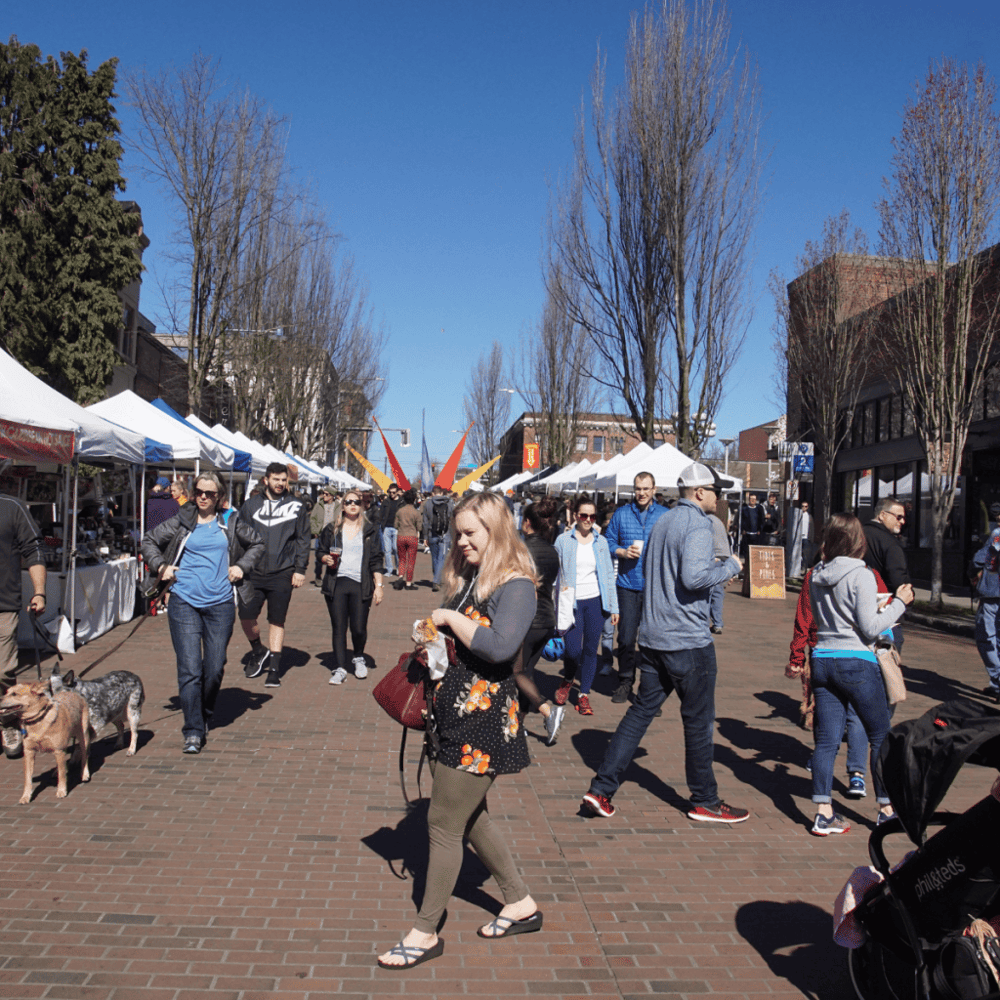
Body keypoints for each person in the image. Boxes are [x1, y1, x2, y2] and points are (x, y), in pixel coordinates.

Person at [377, 492, 540, 970]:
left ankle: (425, 931)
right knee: (470, 817)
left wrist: (449, 618)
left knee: (443, 823)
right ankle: (519, 902)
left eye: (471, 533)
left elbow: (500, 647)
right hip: (451, 714)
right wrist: (431, 639)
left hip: (482, 721)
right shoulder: (471, 577)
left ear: (496, 530)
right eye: (458, 533)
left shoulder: (517, 585)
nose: (462, 541)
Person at [581, 463, 748, 823]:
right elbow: (694, 577)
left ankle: (601, 789)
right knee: (698, 721)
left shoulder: (663, 521)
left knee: (640, 712)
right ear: (699, 492)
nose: (718, 498)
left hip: (654, 638)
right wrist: (731, 566)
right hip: (687, 641)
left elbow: (661, 573)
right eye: (715, 491)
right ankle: (705, 800)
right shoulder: (698, 524)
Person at [806, 513, 913, 835]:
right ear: (857, 540)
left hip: (822, 658)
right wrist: (899, 603)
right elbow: (869, 627)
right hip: (856, 660)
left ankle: (823, 812)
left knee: (826, 741)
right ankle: (886, 808)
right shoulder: (861, 574)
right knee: (880, 735)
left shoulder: (815, 575)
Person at [141, 473, 263, 754]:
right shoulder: (182, 520)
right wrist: (161, 566)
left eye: (209, 493)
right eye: (199, 492)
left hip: (220, 603)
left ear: (219, 496)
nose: (203, 497)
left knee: (215, 667)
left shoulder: (230, 522)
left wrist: (241, 566)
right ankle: (193, 730)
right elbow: (149, 541)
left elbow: (257, 543)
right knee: (190, 669)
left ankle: (204, 712)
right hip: (183, 601)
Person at [238, 463, 311, 689]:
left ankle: (274, 669)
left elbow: (303, 539)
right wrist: (238, 565)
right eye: (276, 479)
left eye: (283, 480)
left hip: (282, 571)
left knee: (276, 620)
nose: (280, 483)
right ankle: (258, 650)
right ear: (266, 480)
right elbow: (239, 537)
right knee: (246, 616)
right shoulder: (251, 505)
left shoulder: (296, 506)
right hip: (253, 571)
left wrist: (300, 569)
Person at [603, 472, 668, 704]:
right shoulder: (621, 514)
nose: (641, 493)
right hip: (627, 585)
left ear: (654, 490)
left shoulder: (664, 515)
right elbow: (607, 541)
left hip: (655, 588)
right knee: (626, 638)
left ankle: (648, 691)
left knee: (653, 642)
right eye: (638, 488)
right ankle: (625, 681)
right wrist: (621, 551)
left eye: (646, 488)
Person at [553, 494, 619, 715]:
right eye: (584, 515)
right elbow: (554, 573)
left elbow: (608, 575)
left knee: (591, 649)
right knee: (572, 650)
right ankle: (568, 679)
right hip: (571, 602)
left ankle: (583, 695)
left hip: (595, 601)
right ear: (575, 516)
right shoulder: (563, 541)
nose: (588, 520)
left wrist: (614, 606)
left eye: (592, 516)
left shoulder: (601, 542)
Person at [319, 489, 383, 685]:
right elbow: (320, 550)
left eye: (357, 502)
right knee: (339, 627)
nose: (353, 505)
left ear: (362, 505)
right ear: (343, 506)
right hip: (337, 582)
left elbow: (376, 559)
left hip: (361, 583)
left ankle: (358, 657)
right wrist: (325, 558)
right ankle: (339, 668)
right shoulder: (332, 529)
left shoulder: (370, 530)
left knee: (358, 628)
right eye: (348, 502)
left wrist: (379, 585)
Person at [0, 487, 46, 759]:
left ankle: (8, 724)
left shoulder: (12, 507)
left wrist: (39, 592)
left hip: (3, 604)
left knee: (2, 671)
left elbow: (33, 549)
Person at [517, 496, 565, 744]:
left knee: (515, 672)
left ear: (527, 522)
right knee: (526, 672)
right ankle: (518, 725)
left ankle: (548, 711)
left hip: (526, 619)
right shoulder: (553, 552)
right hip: (546, 619)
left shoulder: (521, 550)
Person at [862, 498, 910, 648]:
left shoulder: (856, 535)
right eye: (898, 517)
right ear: (882, 515)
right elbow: (899, 582)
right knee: (886, 656)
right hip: (885, 613)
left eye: (903, 518)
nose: (902, 521)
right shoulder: (890, 544)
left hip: (855, 609)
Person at [970, 527, 1000, 704]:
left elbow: (979, 559)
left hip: (993, 594)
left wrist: (974, 573)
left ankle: (998, 679)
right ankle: (996, 685)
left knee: (986, 638)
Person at [422, 485, 453, 592]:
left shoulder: (428, 503)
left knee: (434, 558)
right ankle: (436, 580)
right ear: (442, 492)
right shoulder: (449, 502)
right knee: (442, 558)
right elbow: (452, 518)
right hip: (445, 534)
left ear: (433, 493)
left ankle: (436, 578)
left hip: (432, 533)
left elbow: (425, 522)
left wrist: (425, 536)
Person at [708, 505, 731, 635]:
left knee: (707, 592)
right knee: (718, 592)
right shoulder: (717, 520)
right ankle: (717, 624)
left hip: (714, 557)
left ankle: (703, 624)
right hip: (724, 557)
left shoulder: (705, 520)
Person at [393, 489, 421, 590]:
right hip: (412, 536)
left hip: (401, 536)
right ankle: (408, 583)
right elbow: (419, 527)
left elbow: (395, 525)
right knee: (411, 561)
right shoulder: (416, 512)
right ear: (414, 499)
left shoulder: (400, 511)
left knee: (402, 559)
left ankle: (400, 577)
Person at [310, 489, 338, 586]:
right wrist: (315, 531)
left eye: (326, 494)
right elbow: (312, 518)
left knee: (333, 557)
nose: (324, 496)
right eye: (323, 494)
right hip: (321, 534)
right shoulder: (319, 505)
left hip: (333, 535)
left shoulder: (338, 505)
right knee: (319, 557)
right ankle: (318, 576)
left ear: (332, 496)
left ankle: (330, 578)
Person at [377, 484, 403, 577]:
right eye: (390, 492)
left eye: (393, 492)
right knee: (387, 550)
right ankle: (389, 569)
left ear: (397, 492)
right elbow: (381, 514)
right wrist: (380, 524)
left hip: (397, 528)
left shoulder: (402, 502)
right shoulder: (386, 501)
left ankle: (399, 568)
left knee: (396, 549)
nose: (391, 494)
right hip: (386, 528)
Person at [740, 493, 765, 559]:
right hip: (747, 535)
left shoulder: (759, 509)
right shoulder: (744, 509)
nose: (753, 500)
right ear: (749, 500)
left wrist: (760, 530)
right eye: (751, 499)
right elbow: (741, 520)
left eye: (754, 499)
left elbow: (762, 520)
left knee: (755, 554)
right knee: (746, 554)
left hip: (756, 535)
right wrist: (742, 530)